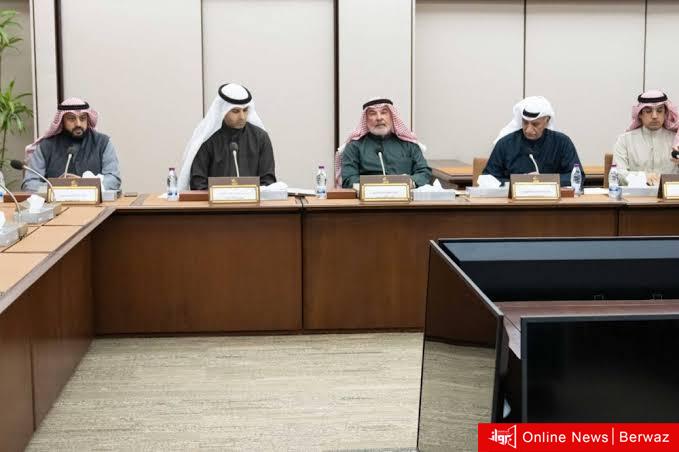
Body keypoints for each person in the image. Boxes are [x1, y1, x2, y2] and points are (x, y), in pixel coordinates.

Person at [178, 83, 276, 191]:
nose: (242, 117)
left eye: (245, 110)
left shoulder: (260, 138)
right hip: (212, 202)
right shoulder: (208, 140)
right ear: (223, 111)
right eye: (235, 111)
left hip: (254, 202)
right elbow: (198, 183)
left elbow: (268, 181)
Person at [22, 97, 121, 192]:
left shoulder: (102, 143)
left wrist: (83, 183)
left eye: (83, 118)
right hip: (56, 202)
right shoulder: (46, 146)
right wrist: (56, 186)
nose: (78, 124)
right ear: (62, 121)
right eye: (71, 119)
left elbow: (114, 180)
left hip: (95, 203)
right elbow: (29, 184)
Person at [483, 96, 584, 187]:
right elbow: (488, 178)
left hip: (551, 200)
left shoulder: (562, 142)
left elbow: (577, 177)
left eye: (535, 124)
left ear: (547, 121)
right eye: (525, 123)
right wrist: (519, 182)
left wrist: (543, 180)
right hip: (513, 200)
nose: (528, 130)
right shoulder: (505, 144)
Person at [340, 98, 431, 188]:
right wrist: (380, 183)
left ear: (392, 116)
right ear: (366, 119)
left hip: (405, 195)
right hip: (368, 196)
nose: (379, 118)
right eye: (373, 113)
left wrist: (411, 181)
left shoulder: (409, 144)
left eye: (384, 112)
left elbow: (424, 173)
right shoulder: (354, 147)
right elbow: (348, 180)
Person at [613, 90, 679, 185]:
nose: (654, 116)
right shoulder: (624, 140)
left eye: (660, 111)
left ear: (665, 114)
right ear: (640, 114)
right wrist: (643, 178)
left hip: (670, 194)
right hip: (636, 193)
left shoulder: (676, 141)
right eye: (648, 111)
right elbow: (618, 174)